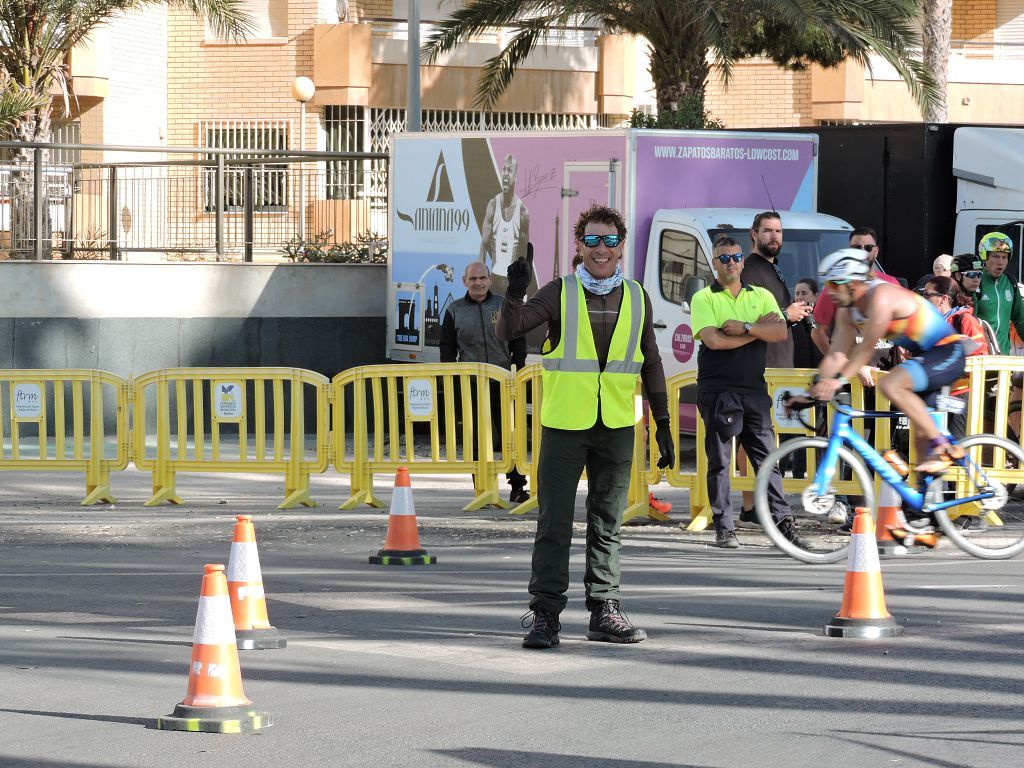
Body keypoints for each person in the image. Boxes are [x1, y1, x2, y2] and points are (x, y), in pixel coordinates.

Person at [497, 204, 674, 649]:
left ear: (620, 247)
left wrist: (665, 425)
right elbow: (510, 329)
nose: (601, 249)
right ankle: (545, 616)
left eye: (610, 241)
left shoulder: (636, 295)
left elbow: (650, 361)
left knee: (608, 523)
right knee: (554, 523)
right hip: (564, 425)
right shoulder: (560, 291)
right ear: (579, 245)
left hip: (615, 425)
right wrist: (514, 291)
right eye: (591, 240)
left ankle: (604, 610)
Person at [690, 235, 807, 549]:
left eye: (736, 256)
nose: (731, 263)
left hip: (754, 389)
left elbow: (780, 331)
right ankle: (724, 527)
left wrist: (743, 327)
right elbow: (715, 341)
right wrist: (758, 330)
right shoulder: (704, 298)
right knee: (720, 462)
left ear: (743, 260)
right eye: (724, 258)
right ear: (714, 264)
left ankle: (784, 525)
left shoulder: (762, 294)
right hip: (717, 388)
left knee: (769, 460)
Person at [811, 248, 970, 476]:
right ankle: (926, 506)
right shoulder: (848, 312)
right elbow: (836, 355)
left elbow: (866, 347)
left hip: (946, 351)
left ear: (853, 283)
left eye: (834, 284)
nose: (829, 291)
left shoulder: (881, 296)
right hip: (925, 356)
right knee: (920, 448)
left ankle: (945, 448)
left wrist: (838, 380)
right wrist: (812, 388)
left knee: (891, 385)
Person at [732, 211, 811, 524]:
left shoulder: (772, 269)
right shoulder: (750, 270)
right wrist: (785, 312)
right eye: (767, 231)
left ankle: (757, 503)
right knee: (754, 436)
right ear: (754, 234)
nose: (774, 236)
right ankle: (751, 505)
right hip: (761, 365)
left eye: (778, 231)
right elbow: (746, 317)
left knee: (766, 435)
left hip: (780, 365)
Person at [439, 262, 529, 503]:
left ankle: (517, 486)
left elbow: (518, 339)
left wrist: (517, 368)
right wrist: (452, 376)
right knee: (478, 437)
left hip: (504, 381)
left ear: (490, 280)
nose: (478, 283)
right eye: (473, 279)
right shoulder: (454, 310)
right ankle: (482, 488)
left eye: (482, 278)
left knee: (511, 435)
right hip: (472, 386)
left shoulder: (503, 305)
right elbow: (447, 347)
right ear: (464, 281)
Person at [921, 275, 989, 438]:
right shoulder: (930, 322)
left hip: (961, 393)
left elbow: (981, 356)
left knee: (957, 444)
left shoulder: (964, 319)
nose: (923, 299)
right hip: (937, 393)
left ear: (943, 299)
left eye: (927, 295)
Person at [480, 154, 533, 299]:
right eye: (504, 169)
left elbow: (524, 255)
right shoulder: (492, 205)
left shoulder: (523, 213)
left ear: (515, 177)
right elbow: (484, 245)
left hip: (512, 283)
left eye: (509, 170)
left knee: (512, 321)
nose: (505, 173)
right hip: (494, 281)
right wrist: (480, 279)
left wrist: (522, 287)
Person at [969, 232, 1024, 357]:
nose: (1000, 262)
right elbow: (970, 322)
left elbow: (1020, 319)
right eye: (995, 256)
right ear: (985, 257)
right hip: (980, 357)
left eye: (1004, 257)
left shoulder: (1011, 282)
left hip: (1003, 358)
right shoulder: (976, 281)